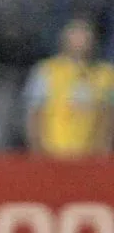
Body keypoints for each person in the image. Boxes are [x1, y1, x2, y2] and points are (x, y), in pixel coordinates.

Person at [24, 17, 114, 156]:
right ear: (64, 38)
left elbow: (108, 116)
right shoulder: (46, 71)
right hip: (53, 156)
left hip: (91, 158)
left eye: (86, 33)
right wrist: (38, 153)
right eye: (76, 33)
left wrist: (103, 152)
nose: (82, 39)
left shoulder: (106, 74)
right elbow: (34, 114)